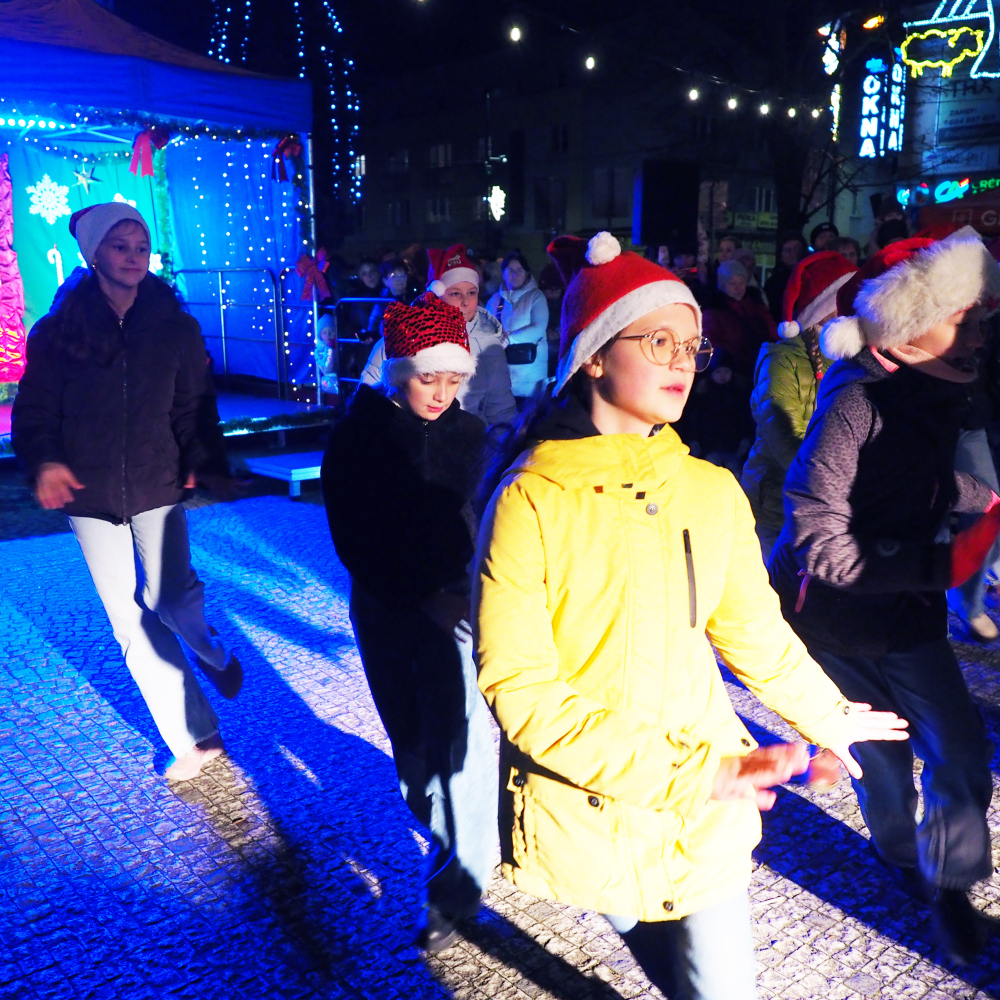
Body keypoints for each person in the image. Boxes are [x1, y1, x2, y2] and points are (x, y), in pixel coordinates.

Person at [474, 231, 909, 1000]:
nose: (683, 361)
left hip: (704, 810)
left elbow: (754, 632)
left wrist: (827, 714)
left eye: (692, 347)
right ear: (594, 354)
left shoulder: (709, 491)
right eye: (659, 341)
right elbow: (523, 688)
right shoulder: (532, 498)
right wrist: (688, 774)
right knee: (647, 931)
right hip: (597, 799)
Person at [769, 229, 1000, 964]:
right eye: (964, 316)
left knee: (960, 753)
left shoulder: (928, 388)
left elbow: (914, 478)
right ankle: (905, 861)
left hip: (906, 619)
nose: (980, 332)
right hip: (834, 622)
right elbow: (817, 540)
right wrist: (942, 563)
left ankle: (951, 882)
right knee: (886, 767)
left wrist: (982, 498)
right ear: (909, 324)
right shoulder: (855, 404)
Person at [11, 203, 242, 781]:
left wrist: (201, 458)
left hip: (156, 480)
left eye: (141, 246)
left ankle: (210, 648)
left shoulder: (174, 327)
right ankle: (195, 738)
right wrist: (46, 461)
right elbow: (34, 410)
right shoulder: (58, 332)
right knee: (131, 622)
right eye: (120, 246)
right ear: (94, 254)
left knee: (171, 601)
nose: (134, 256)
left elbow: (194, 406)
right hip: (89, 493)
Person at [322, 291, 498, 952]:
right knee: (416, 755)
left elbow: (486, 520)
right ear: (401, 370)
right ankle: (455, 831)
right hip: (387, 605)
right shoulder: (359, 436)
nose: (442, 393)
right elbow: (354, 537)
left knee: (460, 746)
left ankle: (457, 885)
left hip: (457, 608)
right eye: (430, 378)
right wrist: (419, 595)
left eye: (454, 379)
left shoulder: (470, 434)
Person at [742, 251, 857, 560]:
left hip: (827, 504)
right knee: (776, 584)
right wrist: (829, 487)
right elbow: (782, 434)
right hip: (778, 500)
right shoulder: (782, 358)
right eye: (843, 303)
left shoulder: (852, 360)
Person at [361, 245, 517, 425]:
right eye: (455, 293)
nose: (465, 302)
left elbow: (501, 411)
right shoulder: (403, 338)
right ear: (436, 295)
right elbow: (367, 401)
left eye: (472, 293)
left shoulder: (488, 344)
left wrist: (495, 441)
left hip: (464, 438)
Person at [486, 251, 550, 403]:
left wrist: (509, 339)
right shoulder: (496, 299)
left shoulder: (536, 296)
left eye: (519, 270)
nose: (515, 275)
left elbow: (539, 327)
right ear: (503, 273)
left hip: (530, 376)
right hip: (502, 375)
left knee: (528, 413)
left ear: (526, 273)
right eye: (510, 270)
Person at [764, 234, 808, 324]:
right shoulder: (772, 283)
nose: (792, 253)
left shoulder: (811, 276)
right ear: (781, 255)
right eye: (787, 250)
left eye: (796, 249)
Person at [365, 257, 411, 337]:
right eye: (394, 276)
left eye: (403, 275)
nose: (399, 279)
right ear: (385, 281)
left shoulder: (415, 299)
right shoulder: (381, 304)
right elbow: (371, 330)